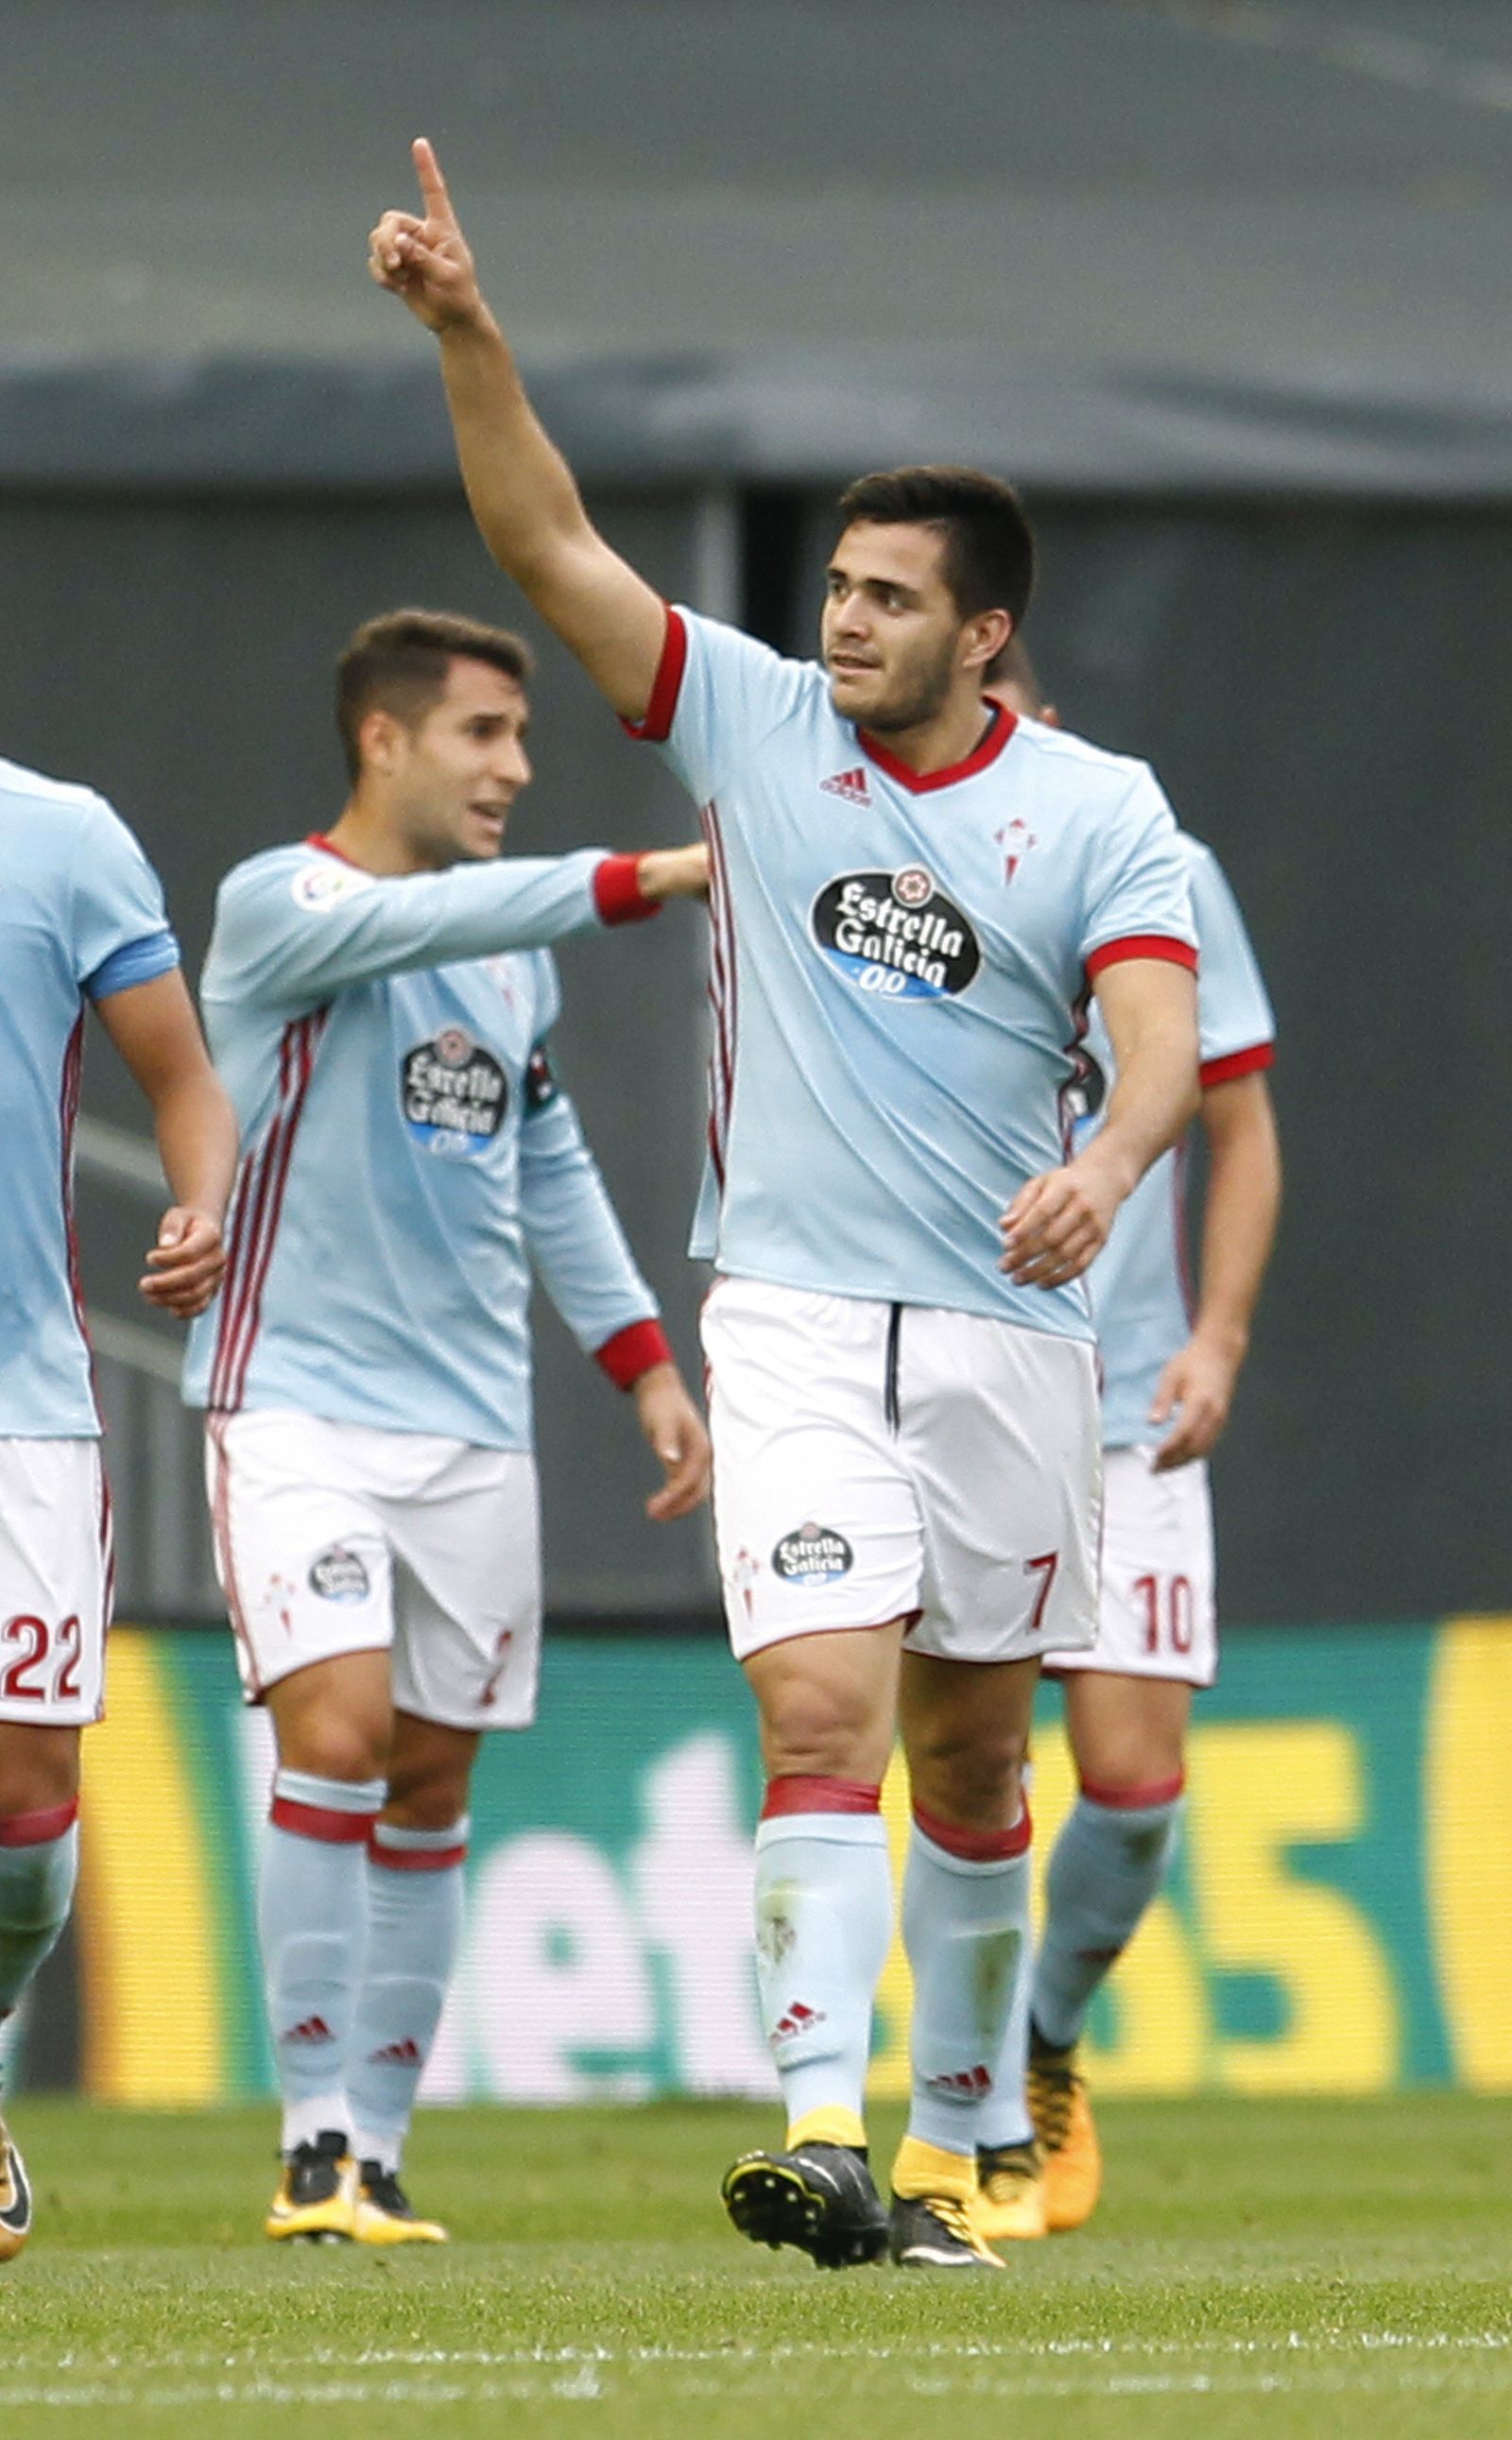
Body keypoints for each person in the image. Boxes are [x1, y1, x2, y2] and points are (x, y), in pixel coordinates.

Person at [368, 143, 1201, 2272]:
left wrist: (1102, 1162)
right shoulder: (748, 723)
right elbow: (540, 539)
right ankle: (824, 2136)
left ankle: (953, 2147)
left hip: (1016, 1337)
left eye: (886, 596)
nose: (839, 619)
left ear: (981, 630)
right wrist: (473, 335)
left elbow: (1162, 1048)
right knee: (820, 1708)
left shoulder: (1098, 810)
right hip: (802, 1322)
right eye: (832, 585)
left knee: (974, 1750)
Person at [181, 608, 711, 2245]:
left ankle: (382, 2154)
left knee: (428, 1781)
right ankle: (310, 2139)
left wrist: (643, 1363)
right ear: (385, 740)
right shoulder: (283, 907)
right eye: (485, 733)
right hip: (296, 1406)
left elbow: (542, 1164)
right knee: (332, 1735)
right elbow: (448, 910)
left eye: (523, 736)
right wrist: (659, 875)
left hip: (475, 1428)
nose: (517, 767)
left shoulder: (507, 955)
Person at [982, 642, 1280, 2240]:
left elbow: (1238, 1127)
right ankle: (948, 2114)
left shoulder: (1155, 863)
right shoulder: (877, 865)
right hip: (945, 1383)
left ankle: (1040, 2049)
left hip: (1125, 1400)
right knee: (933, 1755)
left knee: (1134, 1781)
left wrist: (1219, 1333)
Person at [1, 754, 236, 2263]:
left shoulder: (65, 834)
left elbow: (186, 1082)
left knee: (24, 1813)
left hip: (18, 1400)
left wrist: (201, 1204)